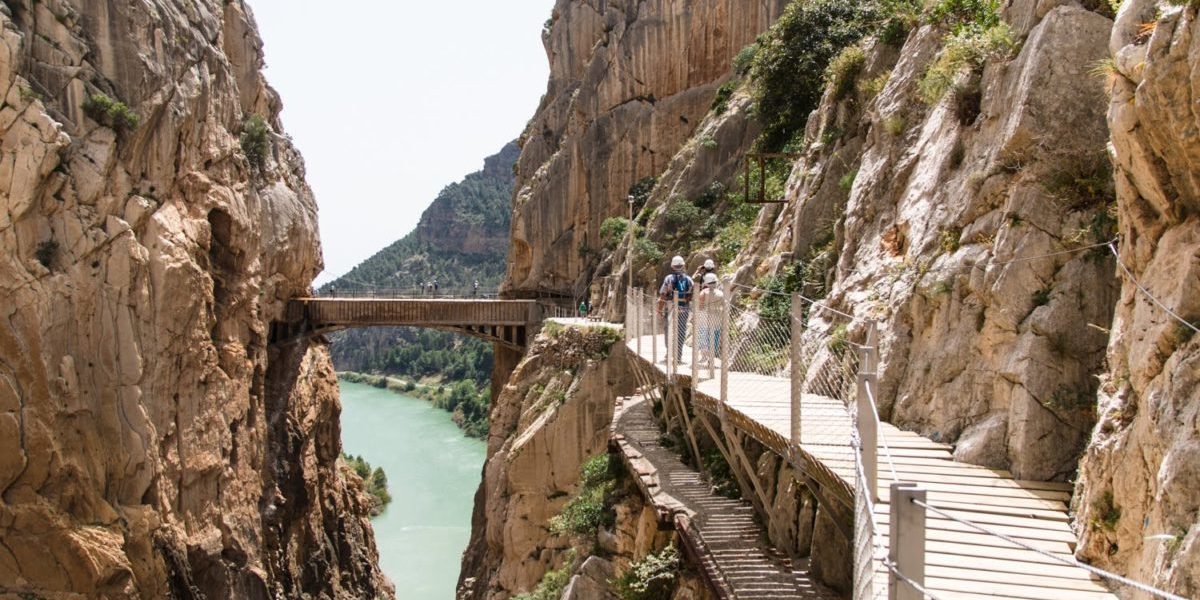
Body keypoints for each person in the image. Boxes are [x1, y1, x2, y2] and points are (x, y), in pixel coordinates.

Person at [657, 255, 694, 363]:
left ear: (672, 266)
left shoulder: (668, 279)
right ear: (683, 266)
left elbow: (663, 295)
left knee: (669, 329)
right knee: (681, 331)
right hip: (684, 308)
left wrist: (659, 309)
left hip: (671, 308)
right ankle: (678, 355)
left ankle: (669, 352)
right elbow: (691, 295)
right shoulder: (689, 279)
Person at [695, 272, 724, 366]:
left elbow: (699, 306)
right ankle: (711, 358)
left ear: (706, 283)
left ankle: (704, 355)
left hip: (705, 318)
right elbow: (724, 306)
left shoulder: (703, 293)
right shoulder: (721, 293)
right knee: (715, 338)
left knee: (704, 337)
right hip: (717, 318)